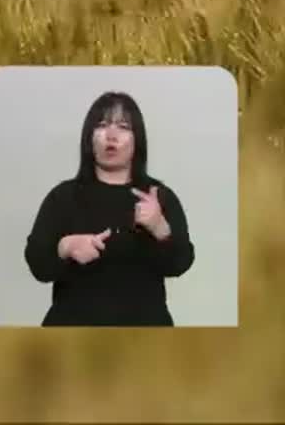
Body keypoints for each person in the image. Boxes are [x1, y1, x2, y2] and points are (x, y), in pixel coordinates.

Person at [23, 90, 195, 325]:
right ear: (89, 138)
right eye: (102, 125)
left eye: (124, 127)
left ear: (138, 140)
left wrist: (160, 228)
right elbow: (37, 265)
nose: (111, 135)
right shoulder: (63, 197)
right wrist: (65, 247)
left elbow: (181, 263)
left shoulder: (158, 197)